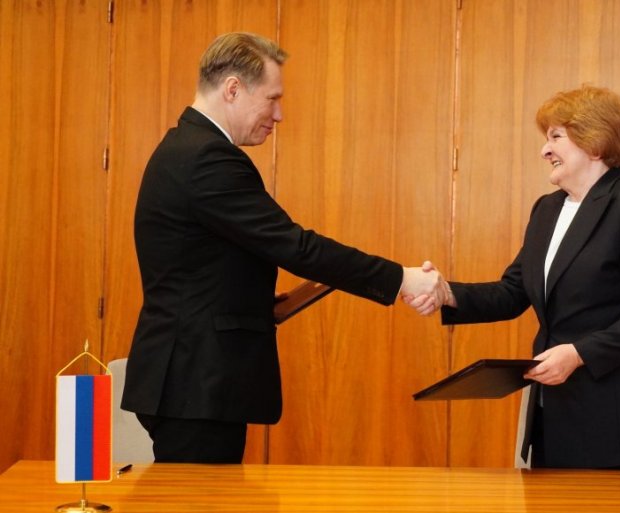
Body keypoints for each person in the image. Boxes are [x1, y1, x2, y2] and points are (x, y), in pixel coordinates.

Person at [122, 32, 443, 464]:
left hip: (190, 381)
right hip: (195, 383)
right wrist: (401, 278)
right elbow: (295, 246)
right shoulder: (206, 158)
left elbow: (201, 268)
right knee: (200, 499)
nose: (279, 114)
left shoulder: (187, 148)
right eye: (272, 98)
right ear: (233, 89)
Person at [421, 86, 620, 469]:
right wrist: (447, 293)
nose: (544, 151)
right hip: (554, 411)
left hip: (619, 419)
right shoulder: (547, 210)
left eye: (555, 137)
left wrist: (578, 354)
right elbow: (513, 291)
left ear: (594, 143)